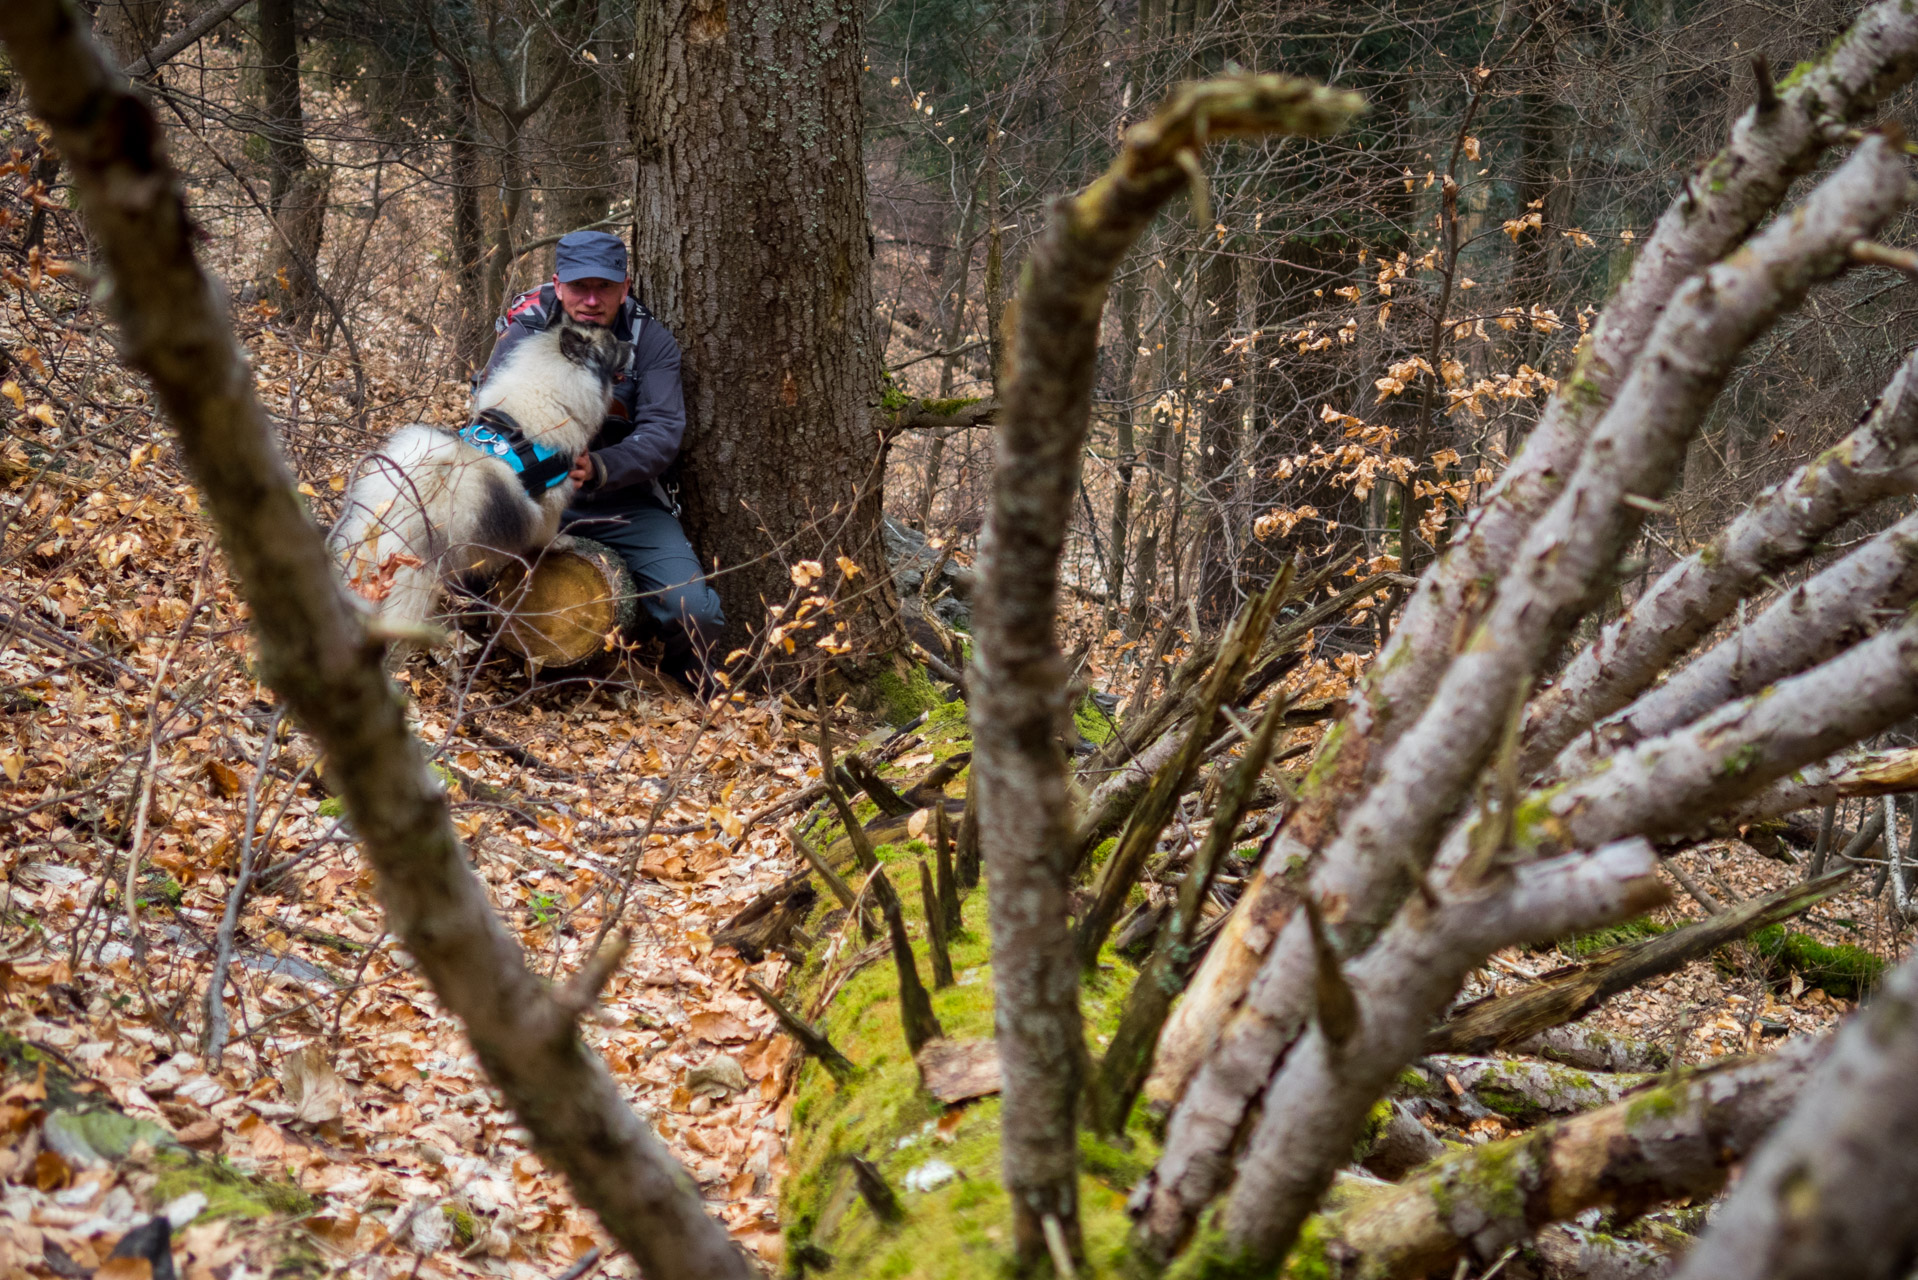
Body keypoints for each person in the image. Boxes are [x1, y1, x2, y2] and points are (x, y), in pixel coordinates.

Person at [478, 229, 725, 695]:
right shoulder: (526, 326)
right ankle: (484, 675)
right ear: (558, 283)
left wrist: (600, 466)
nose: (591, 300)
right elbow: (490, 413)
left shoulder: (649, 341)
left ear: (624, 287)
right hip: (531, 492)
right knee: (461, 570)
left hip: (623, 502)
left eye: (605, 287)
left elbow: (662, 431)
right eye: (579, 287)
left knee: (694, 611)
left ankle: (685, 698)